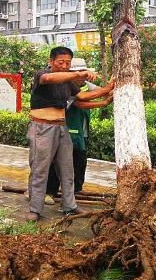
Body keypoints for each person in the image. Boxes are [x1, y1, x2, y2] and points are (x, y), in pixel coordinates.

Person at [27, 47, 114, 221]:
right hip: (42, 128)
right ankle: (35, 209)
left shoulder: (67, 82)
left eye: (68, 63)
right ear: (51, 61)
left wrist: (107, 90)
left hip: (62, 127)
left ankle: (69, 205)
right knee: (40, 169)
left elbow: (81, 96)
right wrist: (79, 74)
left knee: (67, 169)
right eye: (61, 62)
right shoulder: (42, 75)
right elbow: (49, 78)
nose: (64, 66)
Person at [45, 58, 113, 203]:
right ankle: (49, 191)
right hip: (64, 131)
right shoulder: (64, 87)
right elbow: (79, 103)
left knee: (79, 162)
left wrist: (112, 86)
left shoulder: (88, 86)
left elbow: (100, 91)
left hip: (81, 132)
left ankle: (73, 192)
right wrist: (104, 100)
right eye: (77, 73)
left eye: (83, 72)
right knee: (57, 162)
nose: (81, 76)